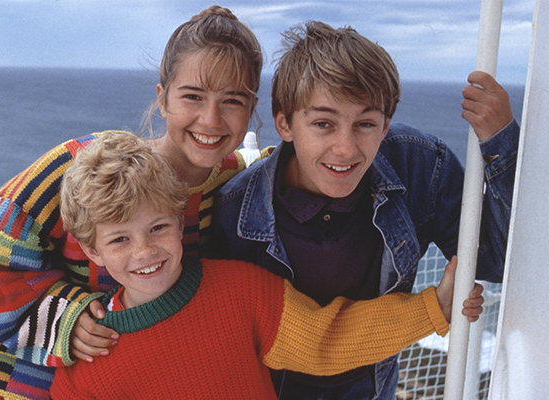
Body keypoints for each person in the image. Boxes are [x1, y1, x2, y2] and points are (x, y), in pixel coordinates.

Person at [0, 6, 265, 400]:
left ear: (252, 108)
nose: (210, 120)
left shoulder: (231, 181)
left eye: (232, 101)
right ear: (162, 98)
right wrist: (65, 316)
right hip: (26, 388)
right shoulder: (91, 166)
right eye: (192, 96)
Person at [50, 131, 484, 400]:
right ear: (93, 251)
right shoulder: (87, 358)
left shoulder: (241, 289)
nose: (145, 251)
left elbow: (327, 339)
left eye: (157, 227)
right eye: (120, 240)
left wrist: (434, 308)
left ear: (180, 222)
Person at [212, 22, 519, 400]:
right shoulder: (233, 213)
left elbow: (497, 262)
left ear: (385, 125)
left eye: (365, 124)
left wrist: (500, 140)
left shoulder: (419, 167)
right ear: (284, 124)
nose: (346, 148)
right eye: (323, 123)